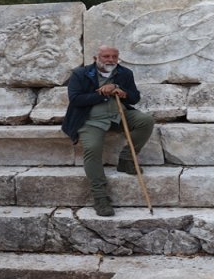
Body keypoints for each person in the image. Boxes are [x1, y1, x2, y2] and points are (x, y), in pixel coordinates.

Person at [61, 45, 155, 216]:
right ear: (96, 58)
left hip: (118, 115)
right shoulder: (80, 74)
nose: (110, 60)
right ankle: (100, 197)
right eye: (106, 56)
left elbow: (135, 97)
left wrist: (123, 92)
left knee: (146, 121)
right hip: (90, 120)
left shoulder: (125, 73)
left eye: (114, 56)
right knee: (92, 148)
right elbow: (75, 100)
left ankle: (126, 159)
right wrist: (103, 94)